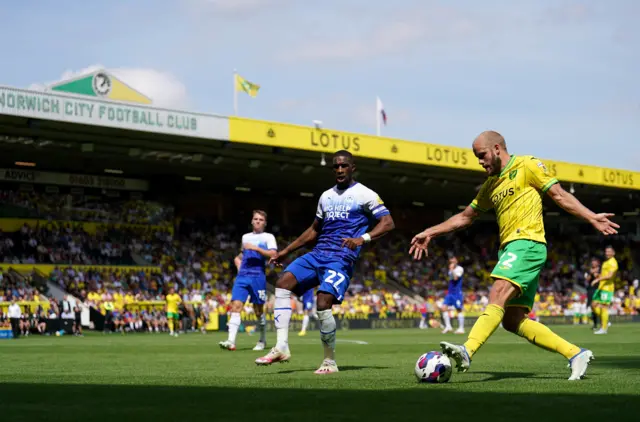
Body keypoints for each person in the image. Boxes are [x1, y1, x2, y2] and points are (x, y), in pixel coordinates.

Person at [409, 131, 619, 381]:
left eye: (482, 155)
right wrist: (430, 232)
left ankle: (468, 349)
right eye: (477, 157)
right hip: (510, 248)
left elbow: (559, 196)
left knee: (497, 292)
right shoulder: (490, 185)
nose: (480, 161)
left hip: (527, 243)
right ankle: (576, 354)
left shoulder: (527, 165)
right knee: (512, 319)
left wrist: (591, 216)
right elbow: (465, 217)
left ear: (497, 148)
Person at [255, 150, 395, 374]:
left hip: (340, 258)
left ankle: (329, 362)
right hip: (318, 254)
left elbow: (387, 223)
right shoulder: (326, 196)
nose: (339, 170)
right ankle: (281, 347)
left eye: (344, 166)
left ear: (352, 168)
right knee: (282, 283)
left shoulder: (365, 194)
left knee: (322, 303)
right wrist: (285, 251)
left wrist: (362, 238)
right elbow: (313, 230)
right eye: (336, 166)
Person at [219, 210, 277, 352]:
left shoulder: (268, 237)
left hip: (258, 276)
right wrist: (238, 261)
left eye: (261, 220)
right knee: (235, 306)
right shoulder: (245, 237)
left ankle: (262, 340)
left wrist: (256, 248)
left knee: (258, 311)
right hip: (243, 276)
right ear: (251, 221)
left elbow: (273, 254)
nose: (257, 221)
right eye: (255, 219)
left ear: (265, 223)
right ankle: (231, 341)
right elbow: (242, 254)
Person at [591, 246, 618, 334]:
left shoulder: (613, 263)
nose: (607, 253)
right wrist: (597, 275)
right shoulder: (606, 262)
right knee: (593, 305)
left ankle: (604, 328)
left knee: (604, 307)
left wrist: (597, 279)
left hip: (607, 288)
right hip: (601, 287)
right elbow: (604, 274)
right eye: (606, 251)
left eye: (609, 251)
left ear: (613, 253)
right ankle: (605, 320)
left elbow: (609, 276)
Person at [441, 256, 465, 334]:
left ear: (456, 261)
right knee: (444, 308)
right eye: (451, 261)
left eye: (453, 261)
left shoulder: (460, 269)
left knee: (458, 310)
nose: (452, 262)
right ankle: (448, 327)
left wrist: (451, 269)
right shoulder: (450, 270)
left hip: (457, 293)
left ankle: (461, 328)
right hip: (450, 293)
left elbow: (455, 278)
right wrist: (451, 270)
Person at [585, 258, 600, 330]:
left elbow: (601, 277)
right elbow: (587, 279)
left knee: (600, 306)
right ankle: (595, 324)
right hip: (591, 290)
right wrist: (591, 273)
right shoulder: (589, 270)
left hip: (599, 289)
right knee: (592, 306)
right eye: (592, 262)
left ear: (598, 263)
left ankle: (604, 322)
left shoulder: (601, 269)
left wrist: (597, 274)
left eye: (595, 262)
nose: (593, 263)